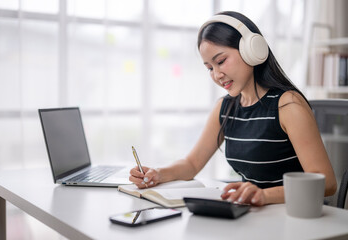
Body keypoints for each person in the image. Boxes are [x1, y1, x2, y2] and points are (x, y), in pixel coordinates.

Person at [129, 11, 337, 206]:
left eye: (221, 61)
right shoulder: (225, 107)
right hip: (254, 213)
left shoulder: (288, 105)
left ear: (252, 50)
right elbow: (192, 164)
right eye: (210, 68)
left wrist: (264, 195)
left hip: (295, 214)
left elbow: (326, 183)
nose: (216, 74)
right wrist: (156, 173)